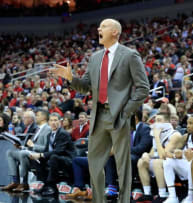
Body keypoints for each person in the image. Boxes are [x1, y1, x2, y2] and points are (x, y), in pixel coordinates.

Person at [49, 18, 149, 203]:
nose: (98, 29)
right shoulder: (95, 58)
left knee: (122, 164)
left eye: (103, 26)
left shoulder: (129, 55)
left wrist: (126, 111)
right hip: (98, 115)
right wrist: (71, 78)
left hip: (119, 114)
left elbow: (143, 88)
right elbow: (85, 87)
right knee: (94, 164)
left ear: (115, 32)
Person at [163, 112, 193, 203]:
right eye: (187, 123)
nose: (187, 126)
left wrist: (183, 154)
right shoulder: (186, 136)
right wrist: (176, 153)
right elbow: (173, 152)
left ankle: (191, 196)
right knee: (167, 161)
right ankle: (172, 196)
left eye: (190, 123)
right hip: (189, 168)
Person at [0, 109, 51, 192]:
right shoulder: (38, 129)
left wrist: (33, 145)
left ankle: (24, 183)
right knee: (10, 153)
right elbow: (31, 147)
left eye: (37, 115)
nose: (36, 117)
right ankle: (15, 181)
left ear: (44, 118)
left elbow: (46, 148)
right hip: (31, 152)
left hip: (39, 155)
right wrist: (22, 147)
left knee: (23, 153)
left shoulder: (47, 129)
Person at [136, 113, 182, 202]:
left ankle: (163, 194)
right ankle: (147, 194)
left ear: (168, 122)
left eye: (159, 121)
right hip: (163, 163)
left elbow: (163, 156)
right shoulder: (159, 134)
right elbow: (153, 153)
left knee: (157, 162)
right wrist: (146, 155)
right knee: (141, 161)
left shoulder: (175, 135)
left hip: (174, 163)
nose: (156, 123)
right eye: (156, 121)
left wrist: (156, 136)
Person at [29, 113, 75, 196]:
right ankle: (45, 184)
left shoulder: (63, 134)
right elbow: (47, 151)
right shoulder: (48, 135)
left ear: (60, 122)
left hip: (67, 159)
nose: (53, 122)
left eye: (55, 120)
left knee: (53, 157)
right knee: (36, 159)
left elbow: (59, 151)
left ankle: (51, 187)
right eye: (51, 120)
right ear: (48, 122)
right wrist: (37, 155)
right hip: (55, 158)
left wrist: (40, 155)